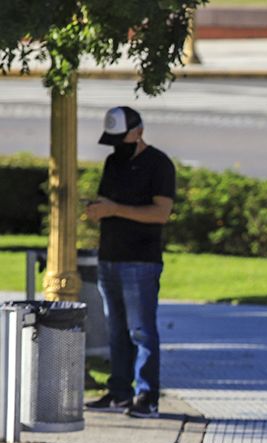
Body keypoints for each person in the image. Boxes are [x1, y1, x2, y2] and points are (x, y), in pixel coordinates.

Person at [84, 106, 175, 419]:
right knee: (116, 331)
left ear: (139, 132)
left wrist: (114, 210)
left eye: (121, 139)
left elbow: (161, 213)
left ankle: (147, 396)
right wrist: (98, 210)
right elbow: (108, 203)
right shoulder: (113, 162)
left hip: (141, 261)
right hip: (109, 257)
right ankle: (119, 392)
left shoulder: (159, 164)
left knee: (141, 331)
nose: (116, 146)